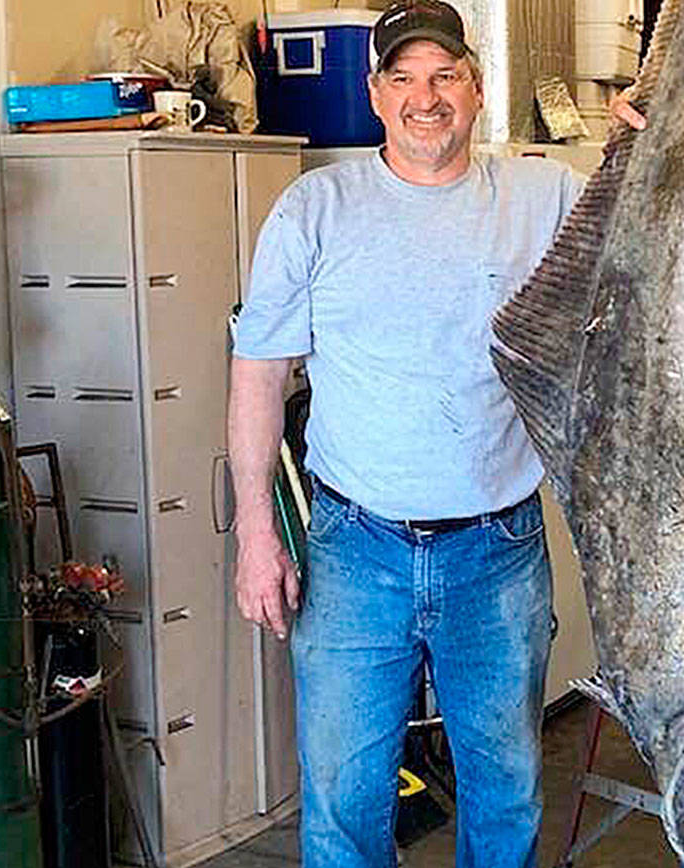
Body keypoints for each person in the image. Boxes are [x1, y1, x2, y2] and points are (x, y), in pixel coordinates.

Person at [227, 2, 585, 866]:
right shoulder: (316, 208)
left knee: (504, 803)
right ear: (375, 93)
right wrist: (256, 534)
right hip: (355, 552)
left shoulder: (545, 195)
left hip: (496, 553)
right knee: (344, 811)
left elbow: (650, 217)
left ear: (477, 86)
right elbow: (258, 375)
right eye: (405, 77)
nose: (427, 97)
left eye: (445, 75)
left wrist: (653, 138)